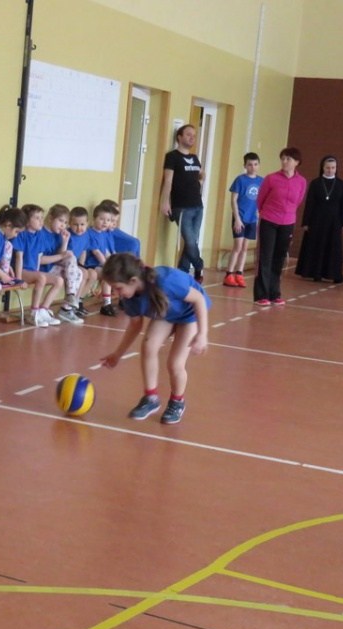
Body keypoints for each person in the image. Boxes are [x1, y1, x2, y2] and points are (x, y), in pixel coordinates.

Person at [100, 254, 210, 426]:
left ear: (133, 281)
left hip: (189, 314)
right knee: (148, 346)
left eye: (118, 288)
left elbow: (198, 299)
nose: (115, 293)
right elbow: (134, 327)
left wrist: (202, 334)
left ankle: (177, 401)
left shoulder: (166, 281)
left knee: (175, 363)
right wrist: (117, 354)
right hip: (167, 313)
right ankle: (151, 398)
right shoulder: (129, 298)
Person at [253, 148, 307, 306]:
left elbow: (298, 201)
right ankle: (261, 295)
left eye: (288, 159)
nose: (284, 162)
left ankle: (274, 293)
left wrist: (287, 213)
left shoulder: (301, 181)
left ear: (296, 162)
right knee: (265, 257)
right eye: (283, 158)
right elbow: (260, 200)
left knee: (279, 258)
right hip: (269, 221)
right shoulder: (271, 178)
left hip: (288, 223)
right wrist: (266, 213)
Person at [159, 124, 205, 281]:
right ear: (179, 137)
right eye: (188, 134)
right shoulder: (172, 156)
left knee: (192, 241)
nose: (192, 138)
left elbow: (201, 174)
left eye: (194, 135)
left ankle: (182, 272)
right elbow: (168, 180)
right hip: (182, 206)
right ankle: (199, 265)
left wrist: (200, 182)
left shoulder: (195, 158)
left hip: (198, 205)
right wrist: (165, 202)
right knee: (191, 242)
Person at [295, 155, 343, 284]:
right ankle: (315, 273)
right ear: (322, 168)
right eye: (328, 168)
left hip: (334, 221)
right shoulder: (315, 183)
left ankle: (334, 274)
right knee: (316, 246)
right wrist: (306, 221)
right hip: (317, 220)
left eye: (333, 168)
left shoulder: (341, 184)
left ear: (336, 168)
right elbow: (309, 203)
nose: (330, 170)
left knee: (333, 247)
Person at [12, 204, 65, 327]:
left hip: (32, 270)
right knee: (41, 278)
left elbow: (38, 257)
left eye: (42, 217)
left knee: (59, 280)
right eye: (37, 218)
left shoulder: (39, 235)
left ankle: (43, 310)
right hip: (21, 270)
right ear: (27, 220)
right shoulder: (21, 235)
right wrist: (18, 279)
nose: (41, 221)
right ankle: (33, 312)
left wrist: (37, 272)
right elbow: (19, 258)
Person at [226, 153, 262, 288]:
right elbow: (233, 200)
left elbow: (262, 200)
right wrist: (237, 219)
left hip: (252, 219)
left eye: (255, 164)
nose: (253, 167)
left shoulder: (262, 181)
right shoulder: (240, 180)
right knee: (238, 246)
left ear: (259, 165)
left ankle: (239, 274)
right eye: (250, 164)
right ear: (245, 166)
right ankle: (229, 274)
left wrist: (259, 214)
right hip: (240, 218)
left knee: (245, 248)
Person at [65, 206, 99, 315]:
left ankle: (79, 300)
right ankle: (73, 303)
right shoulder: (68, 235)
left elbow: (83, 250)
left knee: (93, 274)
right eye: (75, 224)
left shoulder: (86, 235)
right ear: (69, 224)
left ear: (87, 223)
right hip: (67, 264)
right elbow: (67, 255)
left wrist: (82, 264)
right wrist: (80, 267)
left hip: (77, 263)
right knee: (84, 273)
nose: (79, 228)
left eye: (82, 224)